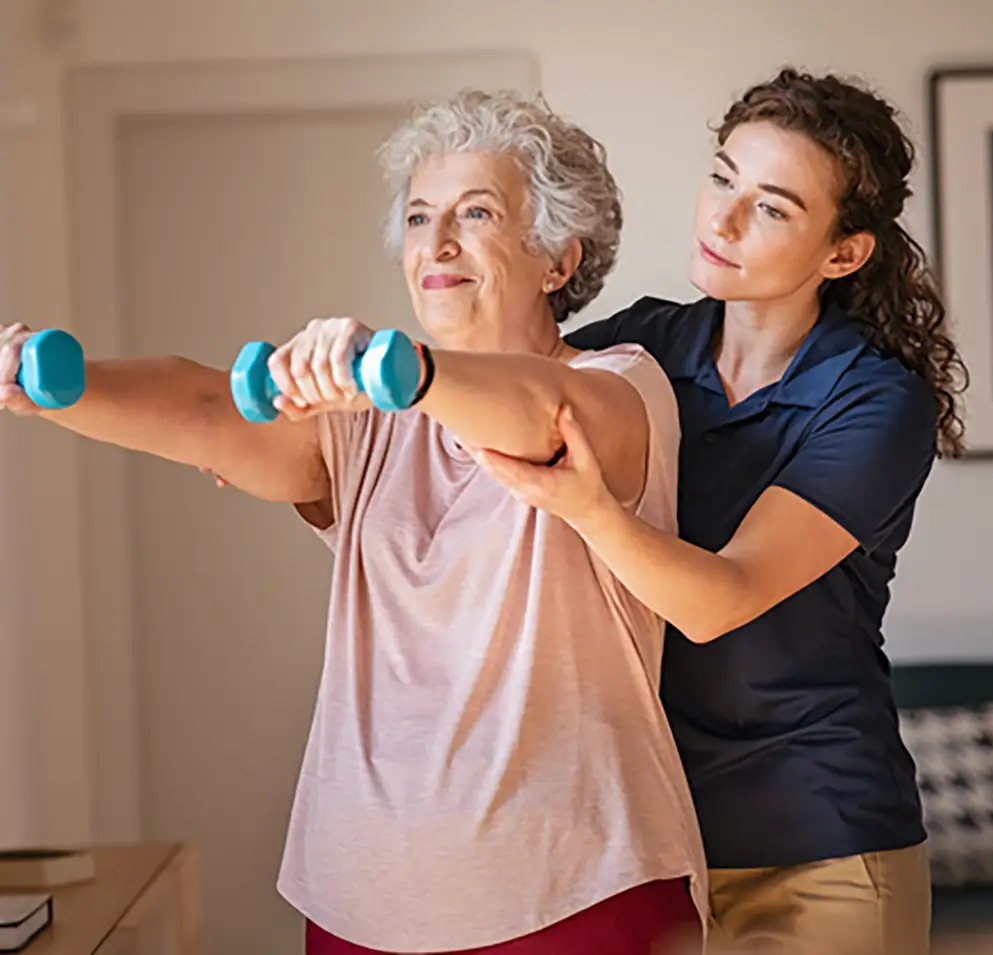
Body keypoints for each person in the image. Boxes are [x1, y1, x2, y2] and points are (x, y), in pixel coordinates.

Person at [0, 91, 707, 954]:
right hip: (363, 897)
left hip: (576, 886)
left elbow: (543, 414)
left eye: (476, 213)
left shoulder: (621, 383)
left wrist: (402, 370)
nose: (436, 243)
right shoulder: (368, 418)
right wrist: (54, 385)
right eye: (418, 217)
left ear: (559, 258)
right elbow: (206, 404)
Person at [474, 69, 969, 955]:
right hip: (655, 843)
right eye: (722, 178)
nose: (724, 219)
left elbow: (719, 600)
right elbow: (504, 402)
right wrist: (330, 445)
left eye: (771, 207)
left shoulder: (873, 402)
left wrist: (588, 507)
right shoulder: (644, 345)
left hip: (821, 847)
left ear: (843, 253)